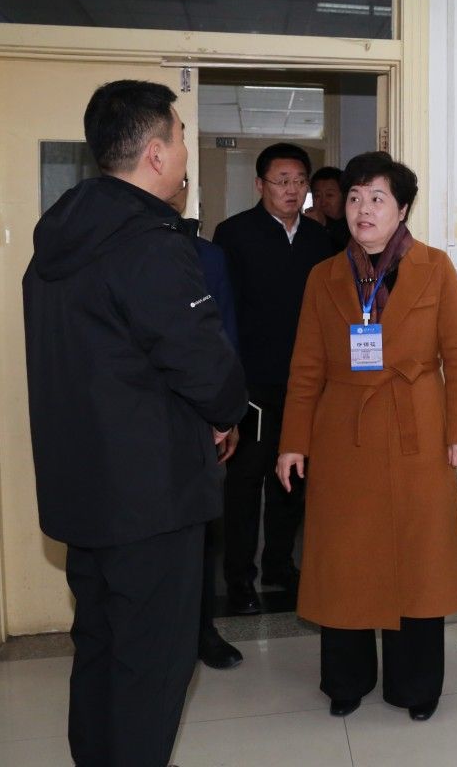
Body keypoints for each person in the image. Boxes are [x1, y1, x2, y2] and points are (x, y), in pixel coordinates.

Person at [23, 80, 248, 766]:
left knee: (99, 648)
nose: (184, 153)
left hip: (83, 489)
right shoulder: (149, 243)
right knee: (151, 665)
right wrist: (227, 413)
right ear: (155, 153)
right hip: (151, 498)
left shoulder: (60, 240)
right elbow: (202, 362)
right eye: (180, 138)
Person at [277, 150, 457, 723]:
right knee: (345, 560)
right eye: (355, 197)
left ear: (403, 208)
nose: (363, 209)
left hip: (418, 427)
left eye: (377, 198)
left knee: (419, 559)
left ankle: (416, 686)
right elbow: (306, 367)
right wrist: (293, 442)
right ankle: (347, 679)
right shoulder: (323, 276)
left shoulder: (435, 268)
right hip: (345, 433)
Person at [213, 143, 342, 615]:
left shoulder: (319, 240)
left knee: (293, 481)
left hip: (305, 385)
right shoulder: (234, 235)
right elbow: (222, 313)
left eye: (299, 181)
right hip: (253, 383)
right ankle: (239, 579)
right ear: (260, 185)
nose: (292, 190)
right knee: (246, 483)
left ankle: (280, 566)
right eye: (281, 181)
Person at [166, 183, 244, 671]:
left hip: (199, 417)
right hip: (136, 419)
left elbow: (224, 338)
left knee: (202, 529)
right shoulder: (108, 251)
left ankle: (202, 630)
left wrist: (227, 414)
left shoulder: (208, 258)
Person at [306, 164, 350, 247]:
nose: (323, 203)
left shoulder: (354, 224)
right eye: (317, 196)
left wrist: (326, 223)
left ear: (345, 196)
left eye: (329, 195)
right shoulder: (310, 223)